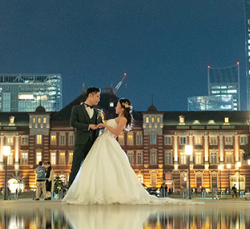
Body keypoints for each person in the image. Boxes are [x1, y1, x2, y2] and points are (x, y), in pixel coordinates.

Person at [63, 98, 198, 205]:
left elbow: (116, 132)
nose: (115, 107)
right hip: (103, 141)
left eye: (117, 105)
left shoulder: (123, 119)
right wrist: (101, 124)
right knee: (100, 168)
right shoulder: (118, 117)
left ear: (122, 108)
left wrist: (105, 125)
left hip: (108, 142)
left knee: (108, 168)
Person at [68, 87, 105, 188]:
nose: (99, 99)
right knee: (75, 168)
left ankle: (92, 190)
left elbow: (100, 125)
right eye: (97, 96)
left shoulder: (98, 112)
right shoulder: (76, 108)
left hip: (93, 144)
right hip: (80, 143)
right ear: (90, 95)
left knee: (94, 169)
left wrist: (102, 126)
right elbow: (73, 123)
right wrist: (88, 126)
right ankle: (70, 192)